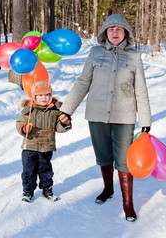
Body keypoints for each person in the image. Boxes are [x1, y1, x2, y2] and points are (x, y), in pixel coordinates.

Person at [60, 14, 151, 222]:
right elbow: (83, 83)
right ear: (105, 33)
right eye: (111, 29)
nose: (115, 33)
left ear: (126, 32)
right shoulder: (95, 53)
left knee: (125, 160)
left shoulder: (134, 57)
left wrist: (145, 122)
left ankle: (128, 203)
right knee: (103, 155)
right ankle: (108, 189)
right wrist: (66, 110)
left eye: (119, 29)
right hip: (97, 113)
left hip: (124, 115)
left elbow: (141, 90)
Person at [16, 81, 72, 202]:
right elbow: (19, 123)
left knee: (46, 170)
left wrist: (65, 124)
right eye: (40, 95)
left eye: (47, 95)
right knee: (29, 171)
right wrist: (24, 128)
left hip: (46, 147)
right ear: (34, 97)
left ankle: (47, 190)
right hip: (30, 147)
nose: (44, 98)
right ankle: (28, 191)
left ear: (51, 96)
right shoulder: (29, 110)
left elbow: (59, 128)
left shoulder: (55, 112)